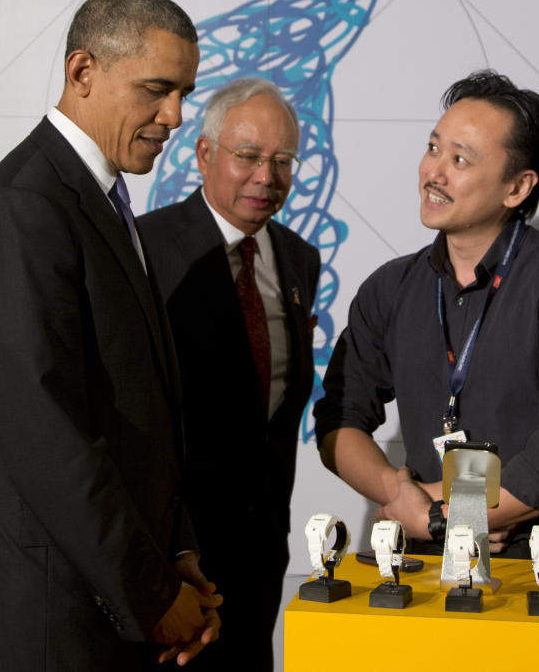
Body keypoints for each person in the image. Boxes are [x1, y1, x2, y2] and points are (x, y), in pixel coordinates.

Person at [0, 0, 221, 671]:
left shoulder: (100, 199)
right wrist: (153, 594)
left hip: (107, 603)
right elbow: (46, 435)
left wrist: (177, 554)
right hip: (46, 617)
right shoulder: (23, 208)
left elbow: (141, 411)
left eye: (183, 92)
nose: (175, 115)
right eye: (157, 89)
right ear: (83, 71)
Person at [313, 69, 539, 560]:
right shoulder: (390, 288)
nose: (434, 173)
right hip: (419, 559)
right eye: (433, 148)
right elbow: (339, 419)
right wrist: (403, 501)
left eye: (460, 159)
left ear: (517, 187)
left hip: (537, 566)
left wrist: (449, 514)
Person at [137, 77, 320, 671]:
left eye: (283, 161)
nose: (267, 177)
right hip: (171, 554)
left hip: (261, 550)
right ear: (204, 154)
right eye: (247, 157)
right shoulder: (145, 248)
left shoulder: (298, 258)